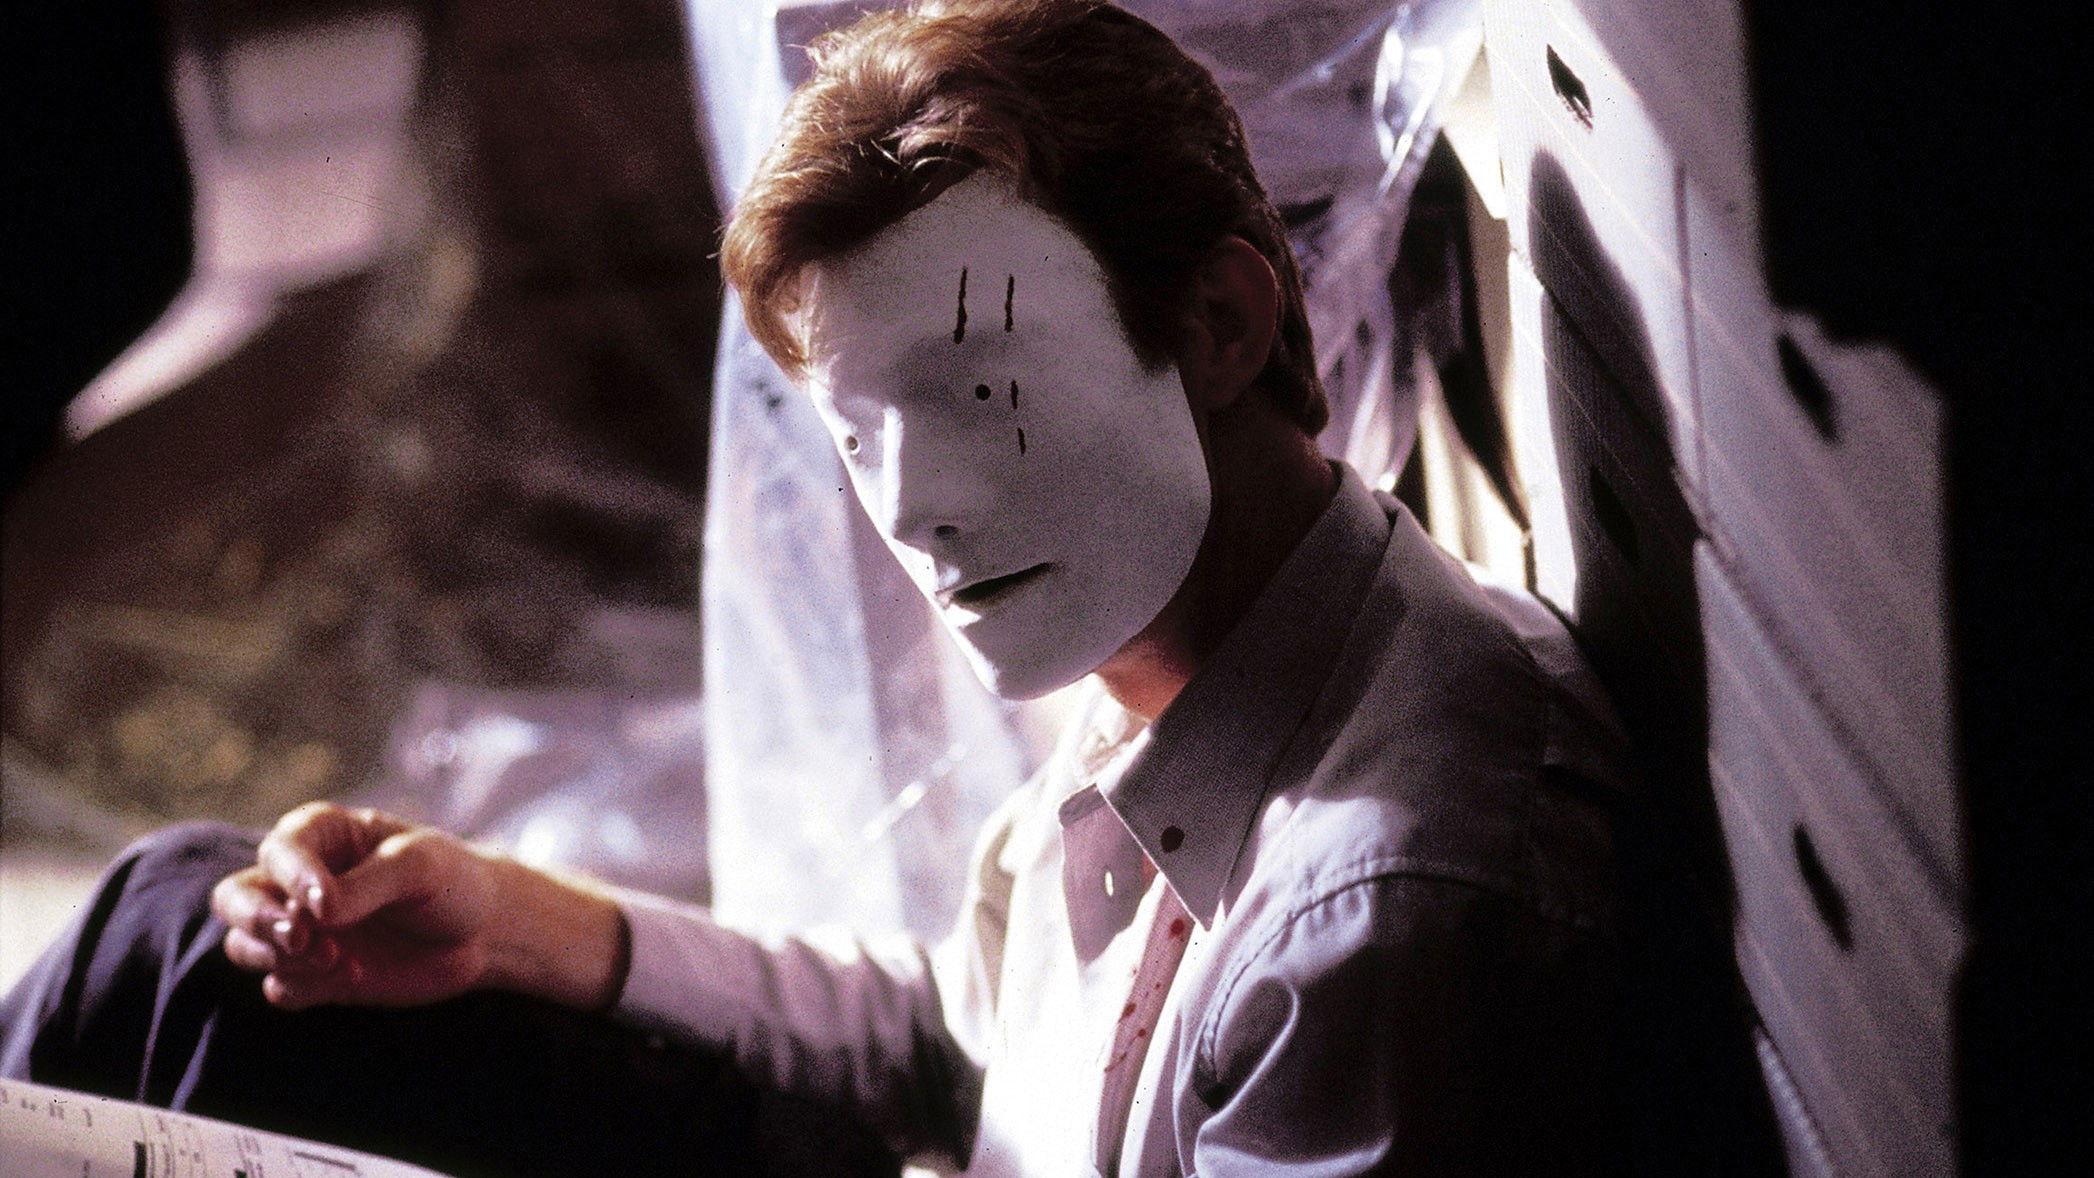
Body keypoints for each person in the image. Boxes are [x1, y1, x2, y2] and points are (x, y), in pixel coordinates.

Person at [3, 2, 1631, 1174]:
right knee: (182, 914)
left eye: (976, 390)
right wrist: (517, 920)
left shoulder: (1372, 921)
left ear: (1219, 321)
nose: (916, 506)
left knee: (182, 1023)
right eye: (860, 433)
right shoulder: (1200, 632)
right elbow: (949, 1034)